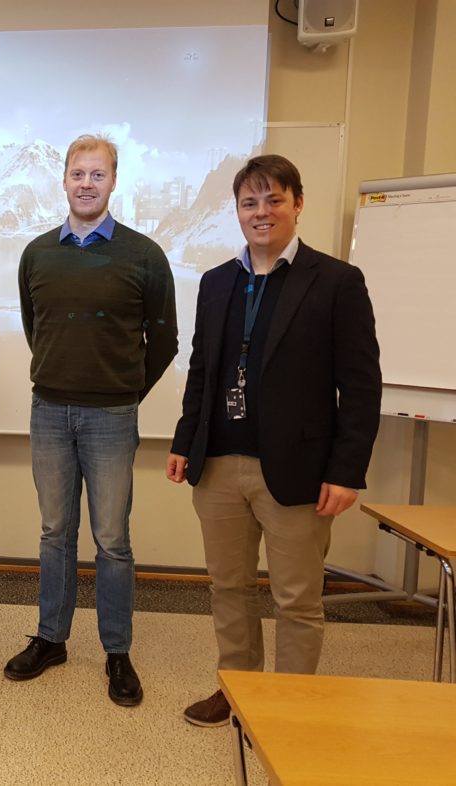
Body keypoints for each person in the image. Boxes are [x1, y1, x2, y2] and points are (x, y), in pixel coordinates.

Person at [166, 154, 382, 727]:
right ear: (237, 211)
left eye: (274, 200)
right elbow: (203, 371)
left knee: (296, 600)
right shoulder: (216, 283)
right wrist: (185, 440)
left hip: (299, 471)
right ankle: (236, 690)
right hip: (218, 467)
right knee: (229, 589)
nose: (261, 213)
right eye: (249, 203)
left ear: (297, 204)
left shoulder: (336, 282)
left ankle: (290, 708)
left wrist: (347, 470)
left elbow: (360, 385)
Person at [4, 134, 177, 707]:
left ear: (113, 181)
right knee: (55, 534)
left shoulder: (144, 255)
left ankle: (117, 653)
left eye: (97, 174)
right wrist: (69, 374)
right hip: (48, 411)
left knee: (112, 541)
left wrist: (123, 389)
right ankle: (51, 639)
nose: (86, 183)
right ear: (63, 180)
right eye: (77, 173)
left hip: (111, 418)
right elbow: (38, 329)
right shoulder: (36, 253)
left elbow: (166, 341)